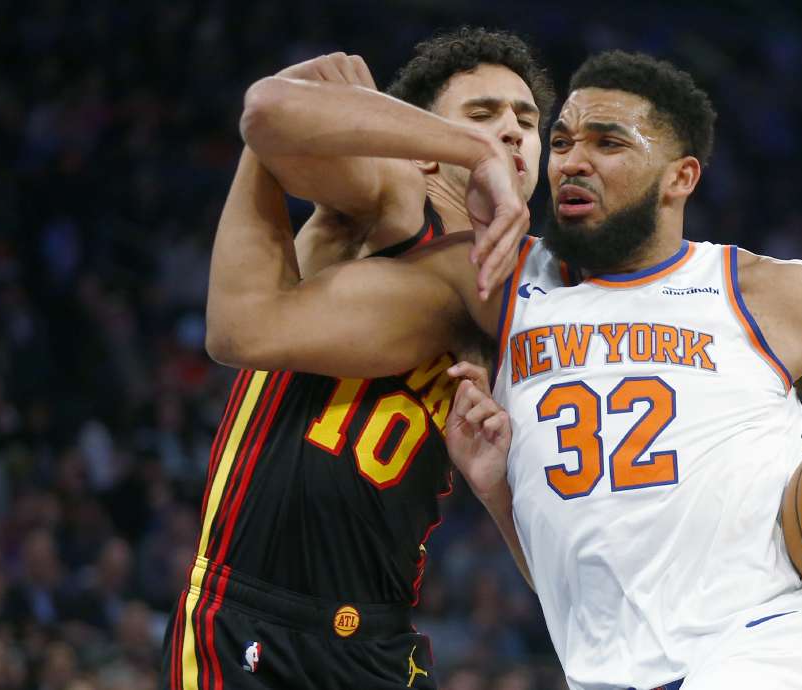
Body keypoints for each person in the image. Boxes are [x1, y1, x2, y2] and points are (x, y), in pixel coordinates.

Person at [205, 50, 802, 690]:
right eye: (567, 140)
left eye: (608, 143)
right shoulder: (503, 290)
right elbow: (572, 576)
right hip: (609, 673)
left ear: (681, 177)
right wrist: (499, 489)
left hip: (775, 650)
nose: (571, 160)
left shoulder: (771, 292)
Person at [164, 28, 553, 690]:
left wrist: (492, 487)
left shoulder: (525, 297)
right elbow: (266, 112)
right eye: (482, 116)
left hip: (380, 639)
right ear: (425, 147)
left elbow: (551, 563)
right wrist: (470, 152)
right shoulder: (393, 198)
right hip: (254, 620)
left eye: (525, 120)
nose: (510, 133)